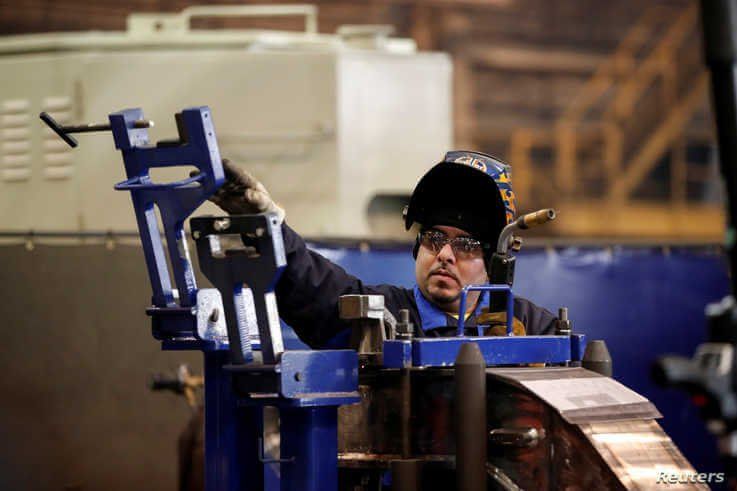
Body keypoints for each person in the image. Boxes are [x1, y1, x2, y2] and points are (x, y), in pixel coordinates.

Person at [209, 150, 556, 348]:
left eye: (464, 245)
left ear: (496, 263)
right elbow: (314, 288)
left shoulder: (535, 328)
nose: (444, 255)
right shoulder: (382, 317)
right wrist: (266, 226)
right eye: (434, 239)